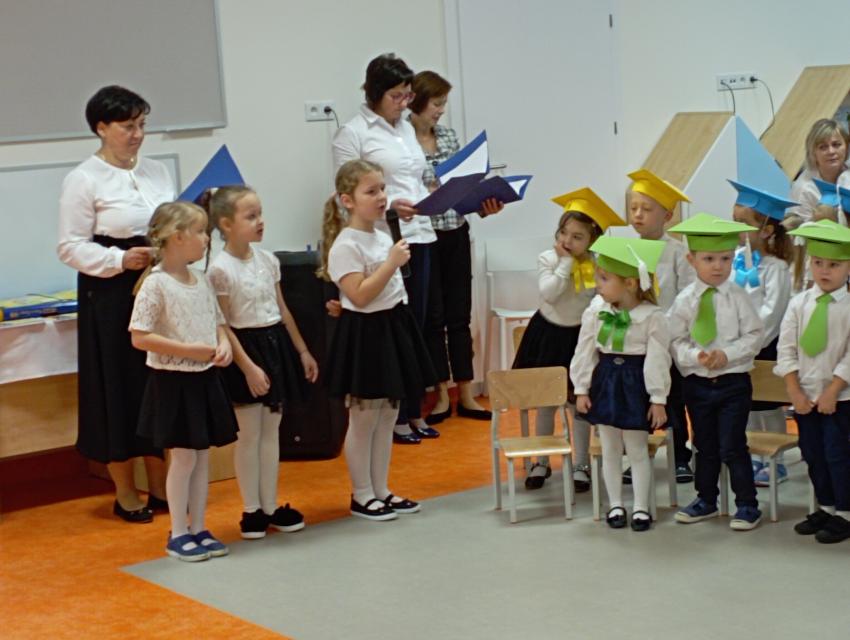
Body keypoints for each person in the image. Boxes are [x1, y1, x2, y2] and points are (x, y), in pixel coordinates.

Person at [57, 85, 173, 523]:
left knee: (156, 380)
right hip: (109, 293)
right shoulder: (84, 178)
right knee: (118, 387)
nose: (137, 134)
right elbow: (70, 246)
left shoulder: (157, 171)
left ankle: (161, 485)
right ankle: (125, 490)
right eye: (128, 126)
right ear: (101, 128)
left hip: (156, 284)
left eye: (142, 124)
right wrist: (119, 260)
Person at [319, 159, 438, 521]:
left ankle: (381, 489)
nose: (381, 197)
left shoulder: (382, 234)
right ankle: (361, 494)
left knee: (387, 415)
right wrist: (390, 263)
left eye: (383, 188)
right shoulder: (345, 244)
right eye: (371, 191)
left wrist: (391, 262)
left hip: (391, 325)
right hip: (365, 334)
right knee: (365, 417)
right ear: (348, 200)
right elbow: (359, 295)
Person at [331, 53, 435, 444]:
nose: (404, 103)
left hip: (419, 231)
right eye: (396, 96)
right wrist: (389, 205)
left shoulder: (406, 127)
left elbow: (416, 178)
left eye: (408, 95)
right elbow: (346, 189)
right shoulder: (354, 133)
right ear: (375, 93)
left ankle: (411, 409)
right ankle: (396, 416)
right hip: (381, 236)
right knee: (391, 328)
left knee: (417, 324)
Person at [206, 186, 318, 539]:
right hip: (245, 350)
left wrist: (302, 350)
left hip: (275, 345)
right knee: (250, 434)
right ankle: (251, 509)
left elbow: (282, 310)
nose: (260, 221)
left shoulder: (268, 260)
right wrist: (248, 367)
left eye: (260, 214)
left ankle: (270, 505)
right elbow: (223, 324)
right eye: (250, 216)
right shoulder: (220, 269)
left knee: (272, 430)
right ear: (226, 224)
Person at [130, 201, 238, 561]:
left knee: (201, 457)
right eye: (201, 231)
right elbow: (140, 336)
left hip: (203, 379)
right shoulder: (155, 284)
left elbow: (217, 321)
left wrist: (223, 344)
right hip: (172, 382)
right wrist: (187, 350)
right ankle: (178, 532)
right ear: (177, 237)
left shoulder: (201, 280)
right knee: (184, 459)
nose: (207, 239)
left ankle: (199, 527)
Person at [407, 70, 503, 427]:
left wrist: (482, 203)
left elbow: (464, 182)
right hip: (423, 236)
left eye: (443, 103)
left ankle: (466, 391)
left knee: (459, 314)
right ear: (417, 102)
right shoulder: (402, 140)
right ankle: (440, 394)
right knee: (433, 317)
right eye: (436, 103)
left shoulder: (448, 135)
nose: (441, 110)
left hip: (456, 230)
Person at [513, 187, 624, 493]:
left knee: (580, 403)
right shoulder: (548, 258)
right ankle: (541, 460)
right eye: (564, 233)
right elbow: (549, 293)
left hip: (580, 338)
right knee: (546, 402)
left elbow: (604, 298)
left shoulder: (598, 263)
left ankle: (581, 464)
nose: (568, 241)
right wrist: (565, 264)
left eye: (577, 237)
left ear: (592, 240)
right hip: (548, 334)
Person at [667, 213, 764, 531]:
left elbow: (754, 335)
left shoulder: (739, 297)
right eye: (709, 259)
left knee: (733, 445)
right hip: (697, 384)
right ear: (692, 260)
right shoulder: (685, 300)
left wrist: (727, 354)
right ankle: (706, 499)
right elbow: (675, 340)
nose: (718, 266)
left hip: (734, 383)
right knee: (704, 445)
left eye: (725, 258)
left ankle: (747, 505)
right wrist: (696, 356)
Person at [571, 236, 670, 531]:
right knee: (610, 448)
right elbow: (585, 351)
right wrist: (581, 389)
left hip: (635, 383)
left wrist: (658, 398)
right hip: (605, 382)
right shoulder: (595, 311)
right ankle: (615, 504)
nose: (597, 284)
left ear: (630, 283)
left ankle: (640, 507)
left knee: (637, 449)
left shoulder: (652, 316)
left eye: (604, 278)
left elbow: (658, 359)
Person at [776, 219, 850, 544]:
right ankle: (826, 506)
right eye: (818, 262)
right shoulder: (799, 304)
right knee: (813, 453)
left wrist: (833, 390)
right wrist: (794, 390)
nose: (824, 270)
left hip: (840, 399)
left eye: (834, 264)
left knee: (838, 455)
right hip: (805, 398)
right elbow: (786, 349)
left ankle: (845, 513)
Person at [625, 169, 695, 483]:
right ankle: (638, 458)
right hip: (637, 342)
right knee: (638, 401)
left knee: (673, 400)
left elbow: (686, 297)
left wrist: (664, 329)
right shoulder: (627, 252)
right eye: (634, 208)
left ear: (666, 215)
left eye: (646, 209)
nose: (638, 215)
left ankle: (680, 456)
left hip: (668, 342)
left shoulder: (678, 252)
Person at [728, 180, 795, 485]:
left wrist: (751, 342)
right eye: (734, 220)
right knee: (748, 403)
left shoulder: (776, 268)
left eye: (743, 223)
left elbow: (773, 312)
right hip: (737, 345)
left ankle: (776, 461)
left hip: (764, 345)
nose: (736, 228)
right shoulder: (735, 262)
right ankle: (755, 456)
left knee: (769, 405)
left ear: (766, 230)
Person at [787, 119, 850, 225]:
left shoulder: (847, 172)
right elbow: (799, 232)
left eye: (836, 144)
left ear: (847, 147)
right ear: (813, 153)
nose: (831, 151)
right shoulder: (804, 190)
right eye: (823, 147)